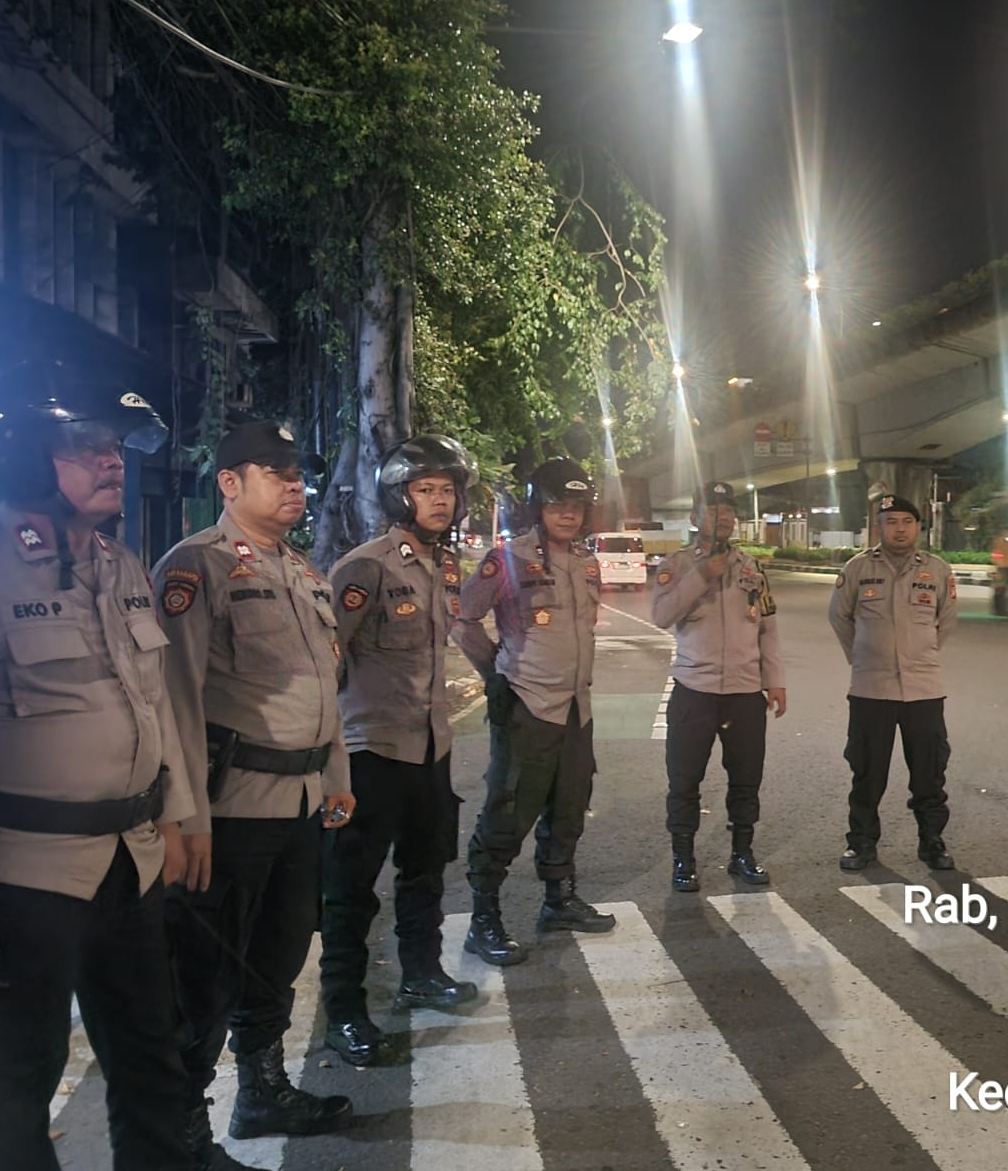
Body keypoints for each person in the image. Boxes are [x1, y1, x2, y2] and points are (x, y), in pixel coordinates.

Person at [0, 361, 261, 1171]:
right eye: (85, 444)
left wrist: (177, 814)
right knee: (12, 1096)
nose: (110, 460)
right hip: (17, 882)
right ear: (19, 453)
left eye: (114, 445)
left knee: (153, 1070)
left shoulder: (119, 566)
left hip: (129, 869)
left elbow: (154, 702)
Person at [154, 420, 358, 1158]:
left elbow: (324, 688)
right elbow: (173, 699)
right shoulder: (195, 567)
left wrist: (336, 775)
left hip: (299, 804)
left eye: (298, 474)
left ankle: (262, 1092)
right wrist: (186, 817)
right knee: (204, 975)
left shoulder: (303, 571)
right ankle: (183, 1133)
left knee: (277, 956)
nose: (295, 486)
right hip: (230, 809)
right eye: (276, 473)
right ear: (230, 483)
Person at [319, 435, 480, 1068]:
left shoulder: (444, 566)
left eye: (447, 490)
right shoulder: (367, 567)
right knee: (351, 889)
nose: (439, 501)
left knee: (425, 870)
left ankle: (421, 974)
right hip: (372, 752)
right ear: (399, 496)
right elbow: (327, 661)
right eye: (425, 489)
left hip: (430, 748)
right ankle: (344, 1012)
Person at [452, 457, 616, 965]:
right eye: (557, 505)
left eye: (576, 507)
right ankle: (484, 918)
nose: (568, 515)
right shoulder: (507, 559)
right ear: (536, 508)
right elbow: (463, 617)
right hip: (528, 706)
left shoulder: (587, 562)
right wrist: (495, 673)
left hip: (576, 709)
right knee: (508, 813)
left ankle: (559, 900)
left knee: (569, 807)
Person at [650, 481, 786, 891]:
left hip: (745, 694)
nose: (723, 517)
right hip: (695, 690)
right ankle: (683, 859)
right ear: (695, 518)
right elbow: (661, 615)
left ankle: (742, 854)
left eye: (728, 510)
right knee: (684, 781)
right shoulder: (676, 565)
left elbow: (768, 627)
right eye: (713, 510)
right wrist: (701, 576)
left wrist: (775, 681)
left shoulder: (751, 567)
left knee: (746, 780)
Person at [829, 493, 958, 873]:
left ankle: (932, 842)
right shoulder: (857, 568)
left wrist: (920, 654)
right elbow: (839, 616)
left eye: (906, 522)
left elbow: (946, 620)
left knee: (929, 772)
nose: (899, 530)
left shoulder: (937, 570)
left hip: (924, 689)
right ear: (879, 527)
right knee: (867, 772)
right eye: (891, 522)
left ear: (918, 527)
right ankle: (861, 843)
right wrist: (864, 657)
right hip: (871, 690)